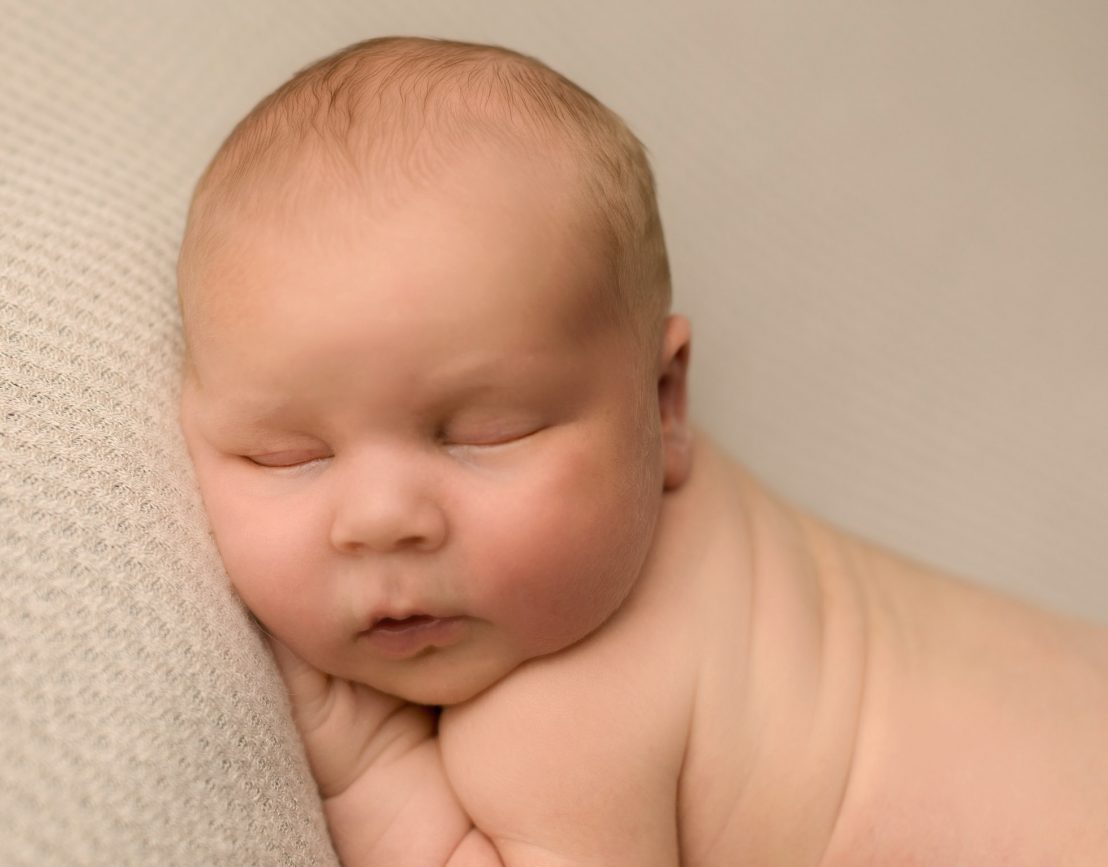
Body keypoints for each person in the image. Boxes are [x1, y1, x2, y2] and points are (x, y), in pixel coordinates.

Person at [176, 35, 1108, 866]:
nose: (382, 518)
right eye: (288, 454)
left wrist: (367, 768)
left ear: (662, 405)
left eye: (485, 433)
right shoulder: (666, 515)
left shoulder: (552, 728)